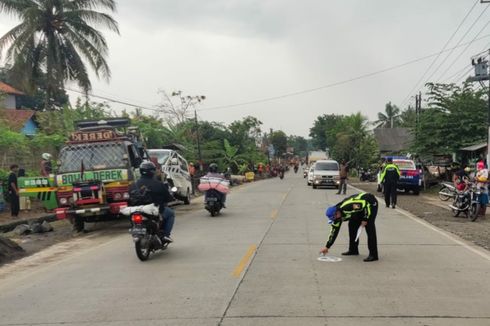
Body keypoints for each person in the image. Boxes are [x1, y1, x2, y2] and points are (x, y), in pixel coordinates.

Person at [320, 192, 379, 262]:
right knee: (352, 225)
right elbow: (333, 232)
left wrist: (365, 219)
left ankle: (373, 255)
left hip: (370, 203)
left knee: (370, 227)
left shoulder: (348, 206)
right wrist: (327, 247)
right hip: (359, 210)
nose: (335, 219)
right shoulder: (336, 218)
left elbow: (365, 204)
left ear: (337, 212)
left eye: (334, 217)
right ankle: (353, 250)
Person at [132, 162, 175, 243]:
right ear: (152, 171)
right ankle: (165, 235)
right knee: (171, 213)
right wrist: (169, 198)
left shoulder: (135, 184)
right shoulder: (158, 184)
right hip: (155, 210)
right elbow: (168, 197)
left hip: (138, 210)